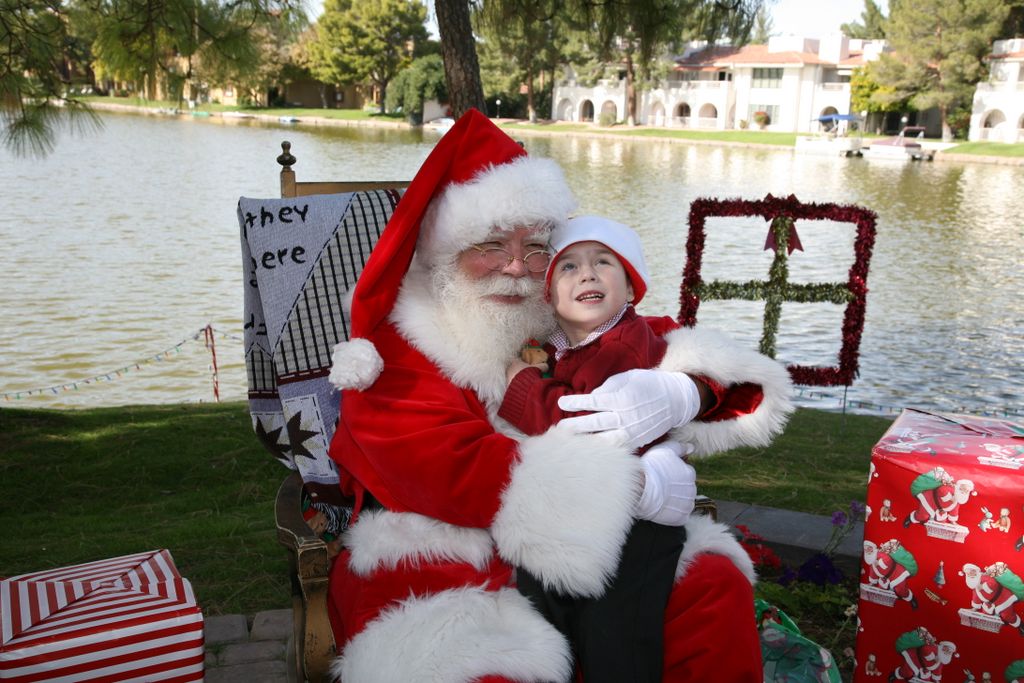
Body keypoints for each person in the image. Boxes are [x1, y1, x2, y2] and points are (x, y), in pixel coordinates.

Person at [326, 109, 794, 681]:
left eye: (536, 246)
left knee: (712, 586)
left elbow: (701, 361)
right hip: (441, 553)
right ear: (444, 251)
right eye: (491, 244)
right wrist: (630, 484)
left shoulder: (554, 310)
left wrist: (685, 392)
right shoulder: (402, 341)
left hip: (590, 547)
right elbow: (449, 467)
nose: (517, 267)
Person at [498, 215, 699, 682]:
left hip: (637, 527)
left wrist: (521, 385)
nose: (586, 273)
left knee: (620, 642)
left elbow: (583, 422)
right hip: (585, 514)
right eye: (567, 266)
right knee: (554, 615)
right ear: (549, 297)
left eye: (603, 262)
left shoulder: (624, 345)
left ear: (631, 289)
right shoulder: (566, 345)